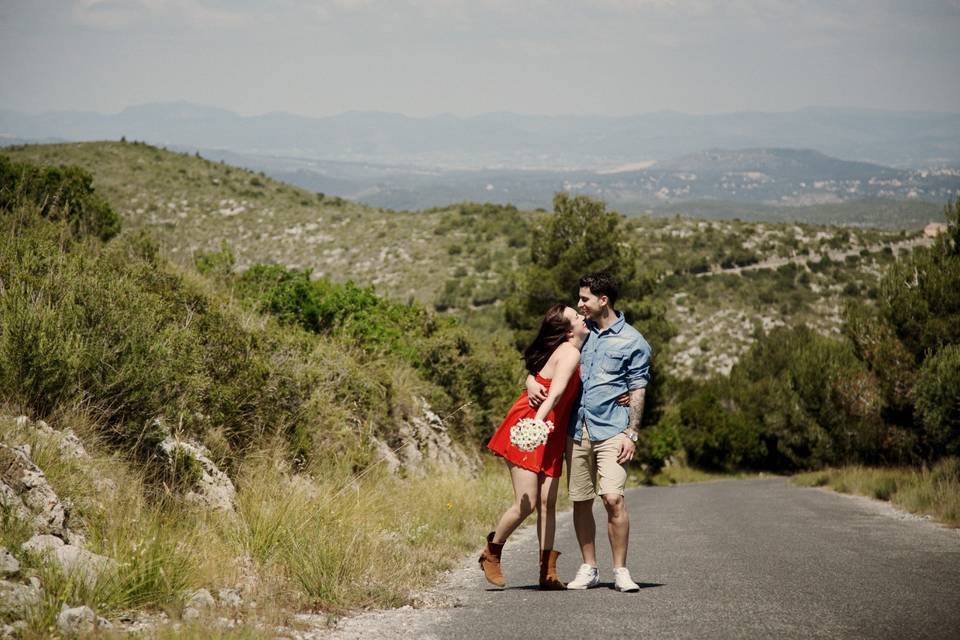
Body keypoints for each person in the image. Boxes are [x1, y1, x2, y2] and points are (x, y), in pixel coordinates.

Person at [527, 272, 651, 593]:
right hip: (575, 431)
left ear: (603, 300)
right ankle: (589, 567)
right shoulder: (579, 333)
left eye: (584, 299)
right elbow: (542, 359)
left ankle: (621, 570)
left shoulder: (634, 342)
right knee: (581, 500)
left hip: (612, 431)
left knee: (612, 499)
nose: (579, 304)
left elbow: (638, 389)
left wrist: (632, 433)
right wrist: (530, 380)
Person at [480, 304, 589, 590]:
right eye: (577, 317)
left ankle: (547, 571)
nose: (582, 317)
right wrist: (535, 427)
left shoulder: (573, 349)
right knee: (526, 502)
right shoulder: (571, 352)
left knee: (547, 503)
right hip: (532, 425)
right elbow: (554, 395)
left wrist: (530, 381)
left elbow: (535, 373)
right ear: (567, 331)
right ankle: (491, 553)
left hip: (549, 432)